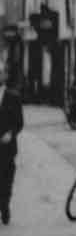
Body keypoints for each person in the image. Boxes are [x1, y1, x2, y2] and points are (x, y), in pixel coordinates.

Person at [0, 61, 24, 225]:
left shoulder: (13, 97)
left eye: (1, 72)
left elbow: (19, 122)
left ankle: (5, 206)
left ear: (5, 76)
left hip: (7, 147)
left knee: (6, 179)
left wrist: (11, 133)